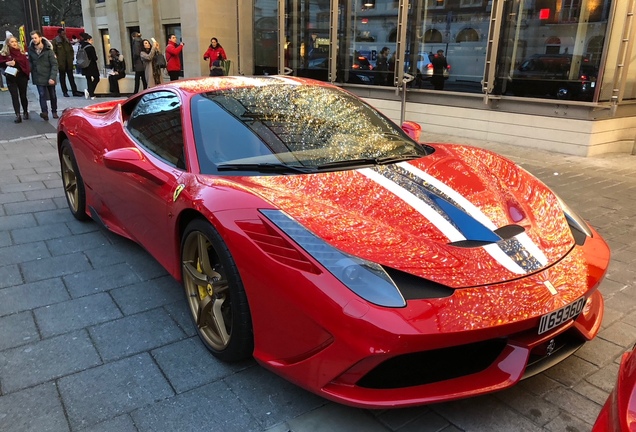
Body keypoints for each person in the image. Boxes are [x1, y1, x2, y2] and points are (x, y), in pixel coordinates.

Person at [28, 30, 58, 121]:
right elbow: (30, 62)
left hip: (49, 75)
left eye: (35, 38)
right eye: (32, 38)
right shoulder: (31, 50)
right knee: (42, 95)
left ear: (40, 38)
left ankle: (54, 111)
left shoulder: (48, 50)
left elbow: (54, 64)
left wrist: (52, 77)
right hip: (38, 76)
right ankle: (44, 112)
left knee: (52, 95)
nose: (34, 40)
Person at [0, 35, 31, 122]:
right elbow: (1, 63)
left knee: (23, 95)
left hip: (21, 76)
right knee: (14, 96)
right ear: (8, 44)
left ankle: (25, 112)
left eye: (15, 41)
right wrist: (7, 63)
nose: (14, 43)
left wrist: (25, 71)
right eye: (11, 42)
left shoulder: (21, 52)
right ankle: (17, 115)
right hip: (11, 77)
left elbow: (26, 64)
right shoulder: (4, 54)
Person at [52, 28, 82, 97]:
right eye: (62, 34)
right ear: (59, 34)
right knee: (62, 78)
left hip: (68, 62)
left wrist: (71, 58)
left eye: (64, 33)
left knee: (71, 77)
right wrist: (57, 61)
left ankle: (74, 91)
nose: (64, 35)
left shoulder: (67, 40)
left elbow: (71, 50)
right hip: (61, 63)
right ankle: (64, 92)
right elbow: (53, 52)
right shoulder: (55, 41)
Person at [79, 32, 100, 99]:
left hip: (84, 64)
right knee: (96, 78)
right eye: (91, 40)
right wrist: (96, 57)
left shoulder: (81, 46)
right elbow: (94, 58)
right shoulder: (90, 47)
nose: (92, 41)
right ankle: (90, 92)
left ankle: (91, 94)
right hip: (91, 65)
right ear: (88, 40)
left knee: (88, 79)